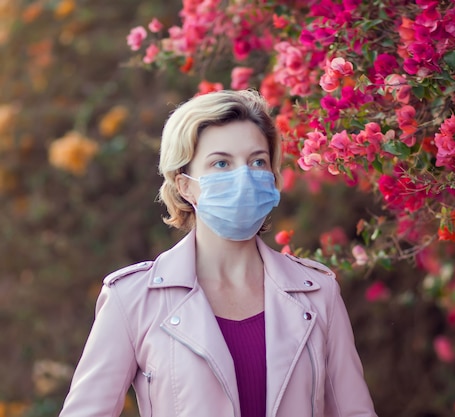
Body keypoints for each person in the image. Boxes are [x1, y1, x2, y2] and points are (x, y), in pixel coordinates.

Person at [59, 89, 377, 417]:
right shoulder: (132, 299)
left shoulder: (318, 293)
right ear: (184, 185)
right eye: (221, 163)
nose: (244, 177)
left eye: (257, 162)